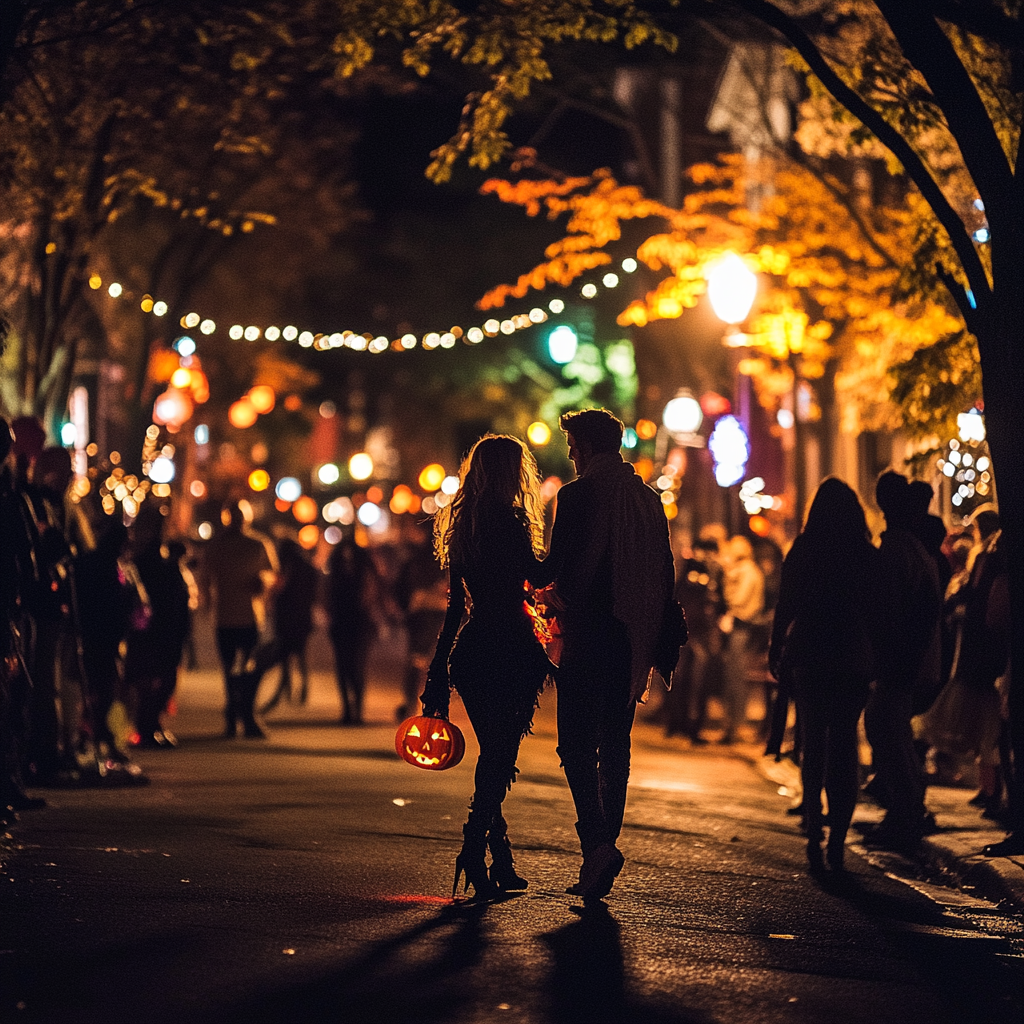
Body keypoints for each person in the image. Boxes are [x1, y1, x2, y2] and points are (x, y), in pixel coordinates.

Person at [532, 409, 674, 901]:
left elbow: (557, 567)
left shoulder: (576, 496)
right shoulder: (648, 500)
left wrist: (518, 559)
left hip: (588, 631)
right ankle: (604, 847)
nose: (570, 453)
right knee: (615, 743)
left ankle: (595, 844)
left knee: (574, 744)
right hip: (631, 635)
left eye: (572, 443)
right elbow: (664, 571)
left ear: (588, 446)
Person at [422, 435, 551, 899]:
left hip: (472, 650)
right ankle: (474, 850)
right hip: (512, 647)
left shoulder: (465, 527)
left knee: (493, 752)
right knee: (500, 755)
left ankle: (500, 857)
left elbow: (457, 606)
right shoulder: (513, 524)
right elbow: (537, 579)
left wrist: (438, 670)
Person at [769, 478, 880, 874]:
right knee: (845, 742)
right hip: (852, 653)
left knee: (814, 738)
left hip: (811, 649)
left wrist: (776, 646)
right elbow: (878, 612)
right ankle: (837, 838)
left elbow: (786, 603)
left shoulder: (805, 549)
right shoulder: (866, 555)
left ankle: (815, 822)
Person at [863, 471, 942, 853]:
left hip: (901, 659)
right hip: (911, 658)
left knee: (887, 731)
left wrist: (882, 656)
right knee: (893, 733)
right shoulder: (911, 548)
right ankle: (905, 810)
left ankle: (905, 813)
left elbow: (891, 611)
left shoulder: (898, 551)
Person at [200, 504, 277, 739]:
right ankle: (234, 716)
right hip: (225, 618)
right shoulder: (217, 546)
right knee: (230, 670)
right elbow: (205, 578)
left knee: (249, 669)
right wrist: (207, 604)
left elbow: (272, 573)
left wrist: (263, 582)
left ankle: (246, 713)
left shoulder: (258, 544)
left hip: (250, 617)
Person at [125, 505, 192, 749]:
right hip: (152, 629)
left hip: (168, 628)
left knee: (165, 679)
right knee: (149, 679)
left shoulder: (167, 562)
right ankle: (146, 726)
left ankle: (153, 723)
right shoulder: (141, 562)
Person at [395, 522, 448, 722]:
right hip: (441, 613)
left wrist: (405, 608)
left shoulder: (414, 561)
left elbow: (399, 588)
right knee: (435, 662)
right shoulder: (446, 562)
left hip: (419, 614)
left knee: (416, 660)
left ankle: (412, 703)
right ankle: (431, 705)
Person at [260, 538, 320, 714]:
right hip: (302, 618)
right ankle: (302, 689)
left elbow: (278, 588)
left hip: (287, 618)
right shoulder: (309, 569)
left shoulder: (286, 568)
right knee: (300, 654)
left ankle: (285, 690)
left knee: (285, 654)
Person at [326, 533, 378, 725]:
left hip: (358, 622)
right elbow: (327, 594)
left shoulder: (364, 569)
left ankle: (357, 710)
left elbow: (370, 592)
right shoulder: (337, 571)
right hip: (343, 621)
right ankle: (348, 709)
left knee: (356, 667)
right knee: (343, 667)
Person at [719, 535, 765, 743]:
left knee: (735, 677)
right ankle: (731, 724)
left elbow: (738, 599)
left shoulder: (747, 573)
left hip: (742, 628)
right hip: (740, 628)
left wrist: (728, 579)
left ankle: (734, 725)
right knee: (731, 676)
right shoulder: (746, 571)